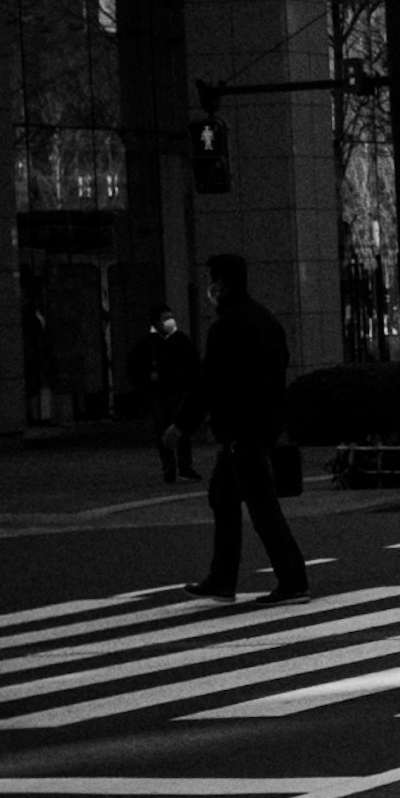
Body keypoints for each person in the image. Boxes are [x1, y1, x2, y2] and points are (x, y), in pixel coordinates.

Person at [191, 252, 307, 603]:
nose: (209, 287)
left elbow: (210, 382)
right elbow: (281, 364)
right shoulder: (265, 320)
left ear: (223, 283)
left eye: (213, 278)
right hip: (261, 426)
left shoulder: (227, 327)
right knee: (223, 497)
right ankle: (222, 579)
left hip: (242, 431)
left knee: (262, 508)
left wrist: (181, 425)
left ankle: (293, 580)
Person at [140, 300, 199, 486]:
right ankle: (169, 467)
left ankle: (184, 466)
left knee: (182, 429)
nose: (170, 321)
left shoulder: (181, 340)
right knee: (163, 432)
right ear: (156, 322)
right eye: (166, 318)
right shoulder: (149, 344)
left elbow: (194, 362)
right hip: (159, 395)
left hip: (179, 392)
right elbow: (136, 366)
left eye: (171, 317)